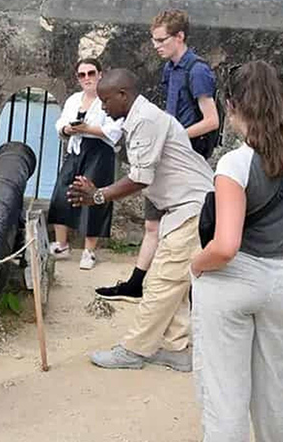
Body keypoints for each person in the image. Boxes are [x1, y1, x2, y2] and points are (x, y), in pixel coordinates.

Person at [189, 61, 283, 442]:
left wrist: (195, 264)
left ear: (232, 104)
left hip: (234, 279)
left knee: (225, 394)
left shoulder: (234, 164)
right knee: (272, 388)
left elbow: (225, 246)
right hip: (281, 280)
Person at [67, 69, 212, 373]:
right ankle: (177, 348)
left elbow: (140, 178)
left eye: (106, 100)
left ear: (123, 95)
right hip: (185, 208)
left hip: (191, 207)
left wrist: (98, 196)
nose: (103, 106)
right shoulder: (140, 118)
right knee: (175, 283)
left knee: (161, 281)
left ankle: (134, 350)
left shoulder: (146, 120)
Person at [95, 9, 218, 302]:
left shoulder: (197, 70)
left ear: (180, 37)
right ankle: (139, 282)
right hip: (160, 154)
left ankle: (160, 288)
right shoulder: (170, 69)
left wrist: (170, 137)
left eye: (162, 40)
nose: (156, 46)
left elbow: (211, 120)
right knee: (154, 226)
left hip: (180, 158)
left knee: (175, 230)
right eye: (154, 40)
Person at [47, 58, 123, 270]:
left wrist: (87, 129)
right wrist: (68, 130)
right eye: (82, 75)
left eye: (91, 73)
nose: (87, 78)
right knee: (61, 194)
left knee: (93, 198)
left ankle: (89, 251)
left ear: (100, 74)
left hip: (99, 152)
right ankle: (61, 244)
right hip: (76, 149)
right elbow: (61, 122)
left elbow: (115, 130)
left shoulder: (109, 99)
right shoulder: (74, 99)